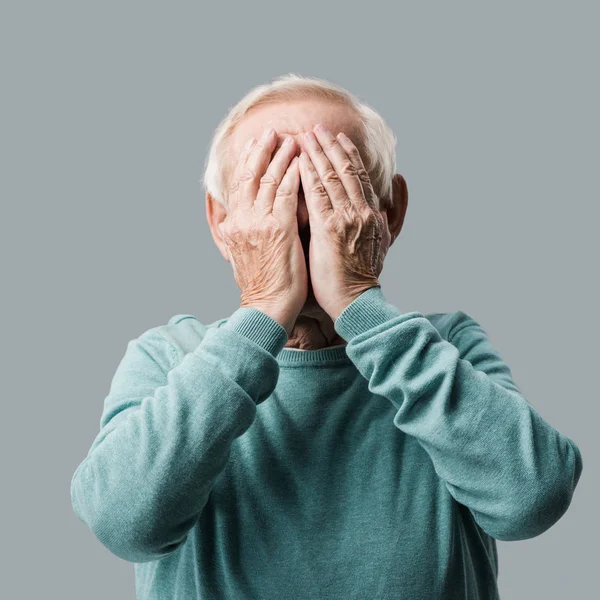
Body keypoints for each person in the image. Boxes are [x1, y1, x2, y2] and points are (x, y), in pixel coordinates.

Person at [70, 74, 583, 599]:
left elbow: (532, 500)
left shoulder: (445, 348)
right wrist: (264, 308)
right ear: (222, 223)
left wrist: (360, 303)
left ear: (389, 213)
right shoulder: (169, 357)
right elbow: (124, 524)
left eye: (330, 198)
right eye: (271, 203)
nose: (300, 230)